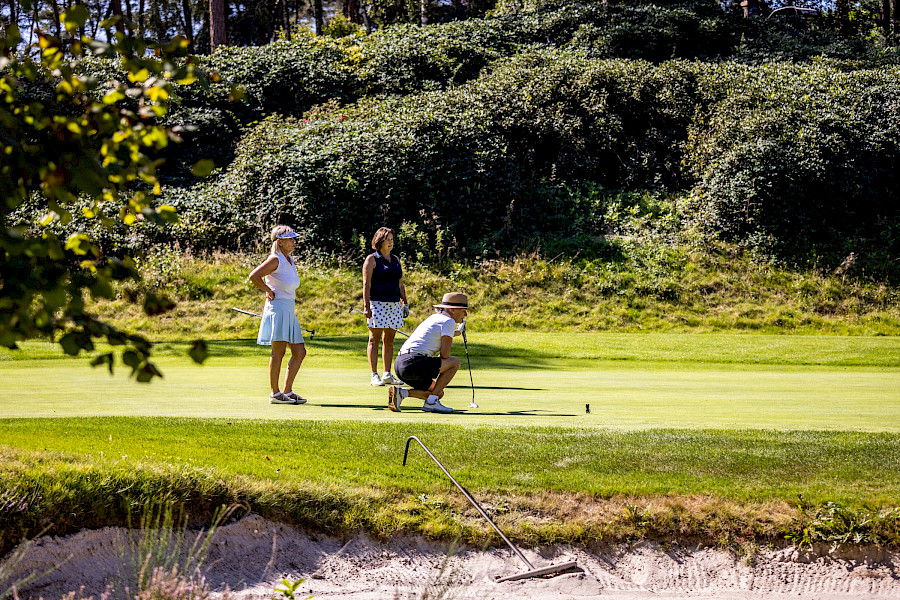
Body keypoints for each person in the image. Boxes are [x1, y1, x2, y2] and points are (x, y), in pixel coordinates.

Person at [248, 225, 308, 405]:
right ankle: (275, 393)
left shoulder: (288, 260)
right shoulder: (275, 259)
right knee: (278, 352)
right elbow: (254, 276)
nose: (294, 241)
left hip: (288, 309)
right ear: (280, 242)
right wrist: (268, 290)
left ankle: (287, 391)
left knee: (299, 352)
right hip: (278, 309)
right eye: (290, 239)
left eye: (294, 238)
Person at [388, 292, 470, 415]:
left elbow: (442, 333)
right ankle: (431, 403)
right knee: (454, 362)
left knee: (438, 392)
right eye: (463, 310)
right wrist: (442, 365)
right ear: (453, 310)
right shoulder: (448, 321)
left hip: (401, 365)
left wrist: (458, 332)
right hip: (414, 363)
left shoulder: (435, 318)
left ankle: (402, 393)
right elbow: (445, 355)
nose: (465, 314)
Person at [362, 227, 409, 386]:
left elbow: (400, 283)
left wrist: (405, 302)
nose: (391, 242)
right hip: (377, 303)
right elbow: (366, 284)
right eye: (388, 239)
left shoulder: (395, 259)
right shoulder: (372, 259)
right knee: (374, 339)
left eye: (392, 239)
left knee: (389, 340)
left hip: (394, 303)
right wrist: (366, 306)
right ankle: (374, 375)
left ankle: (387, 374)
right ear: (380, 241)